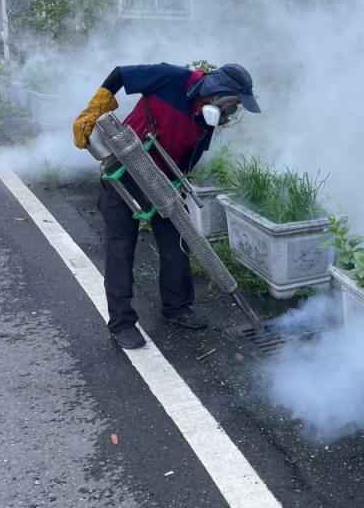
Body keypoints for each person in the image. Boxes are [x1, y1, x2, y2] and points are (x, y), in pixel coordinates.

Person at [72, 62, 260, 349]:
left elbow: (188, 159)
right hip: (124, 170)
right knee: (121, 248)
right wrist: (94, 107)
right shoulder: (172, 78)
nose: (232, 110)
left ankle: (177, 307)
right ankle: (121, 324)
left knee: (179, 240)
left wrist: (179, 186)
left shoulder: (205, 122)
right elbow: (121, 74)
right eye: (233, 102)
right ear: (217, 93)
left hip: (161, 181)